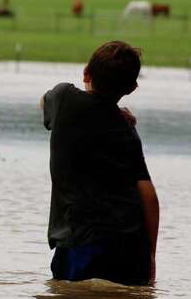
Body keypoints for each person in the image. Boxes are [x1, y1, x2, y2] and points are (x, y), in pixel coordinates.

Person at [40, 41, 159, 285]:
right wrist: (151, 255)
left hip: (80, 243)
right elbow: (149, 195)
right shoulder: (126, 129)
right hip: (130, 248)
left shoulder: (63, 99)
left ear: (86, 72)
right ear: (132, 88)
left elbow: (43, 103)